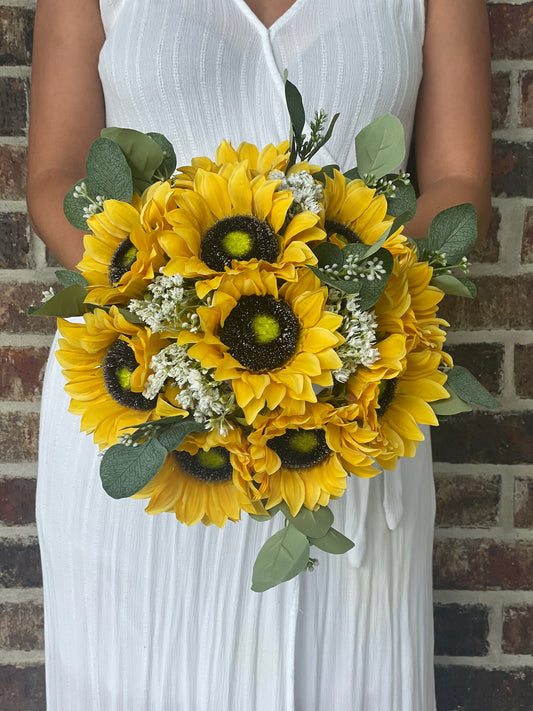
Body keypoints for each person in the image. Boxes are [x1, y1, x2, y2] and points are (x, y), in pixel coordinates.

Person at [27, 1, 491, 709]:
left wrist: (338, 297)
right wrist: (173, 306)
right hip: (145, 405)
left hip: (341, 413)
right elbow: (56, 176)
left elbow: (459, 184)